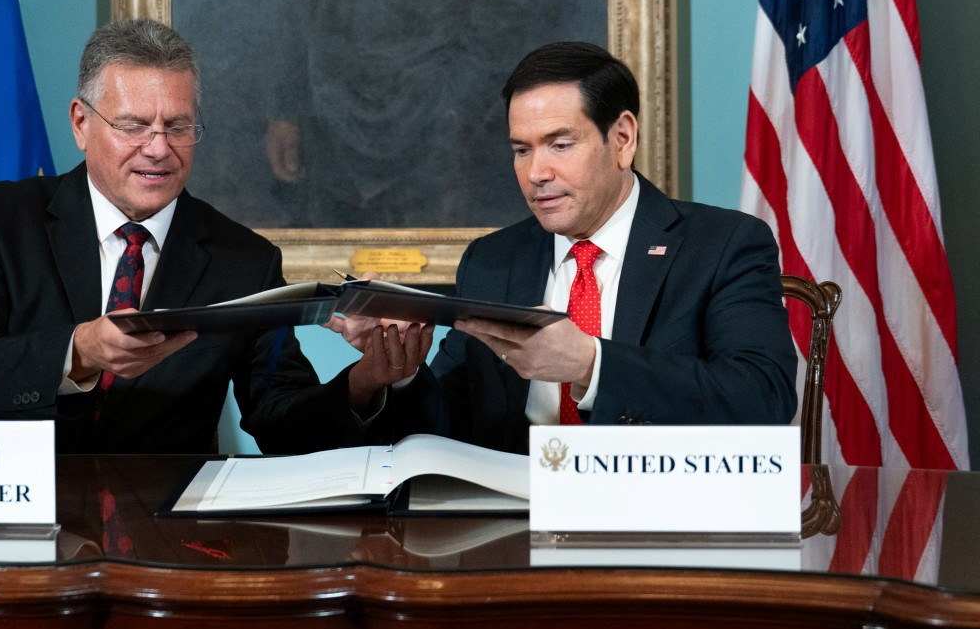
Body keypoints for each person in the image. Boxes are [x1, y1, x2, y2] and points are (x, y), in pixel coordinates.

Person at [0, 18, 431, 454]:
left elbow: (279, 421)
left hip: (164, 532)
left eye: (177, 127)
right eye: (134, 126)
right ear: (80, 123)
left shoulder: (243, 261)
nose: (158, 149)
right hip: (19, 516)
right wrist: (79, 350)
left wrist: (364, 383)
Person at [329, 42, 797, 453]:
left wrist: (592, 364)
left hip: (661, 523)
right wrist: (403, 369)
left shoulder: (722, 245)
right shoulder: (493, 261)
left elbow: (763, 399)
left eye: (560, 144)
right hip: (509, 531)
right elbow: (451, 434)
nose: (537, 173)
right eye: (522, 150)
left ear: (622, 138)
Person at [265, 0, 528, 227]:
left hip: (426, 144)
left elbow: (502, 5)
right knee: (330, 281)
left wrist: (456, 115)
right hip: (322, 143)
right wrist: (285, 110)